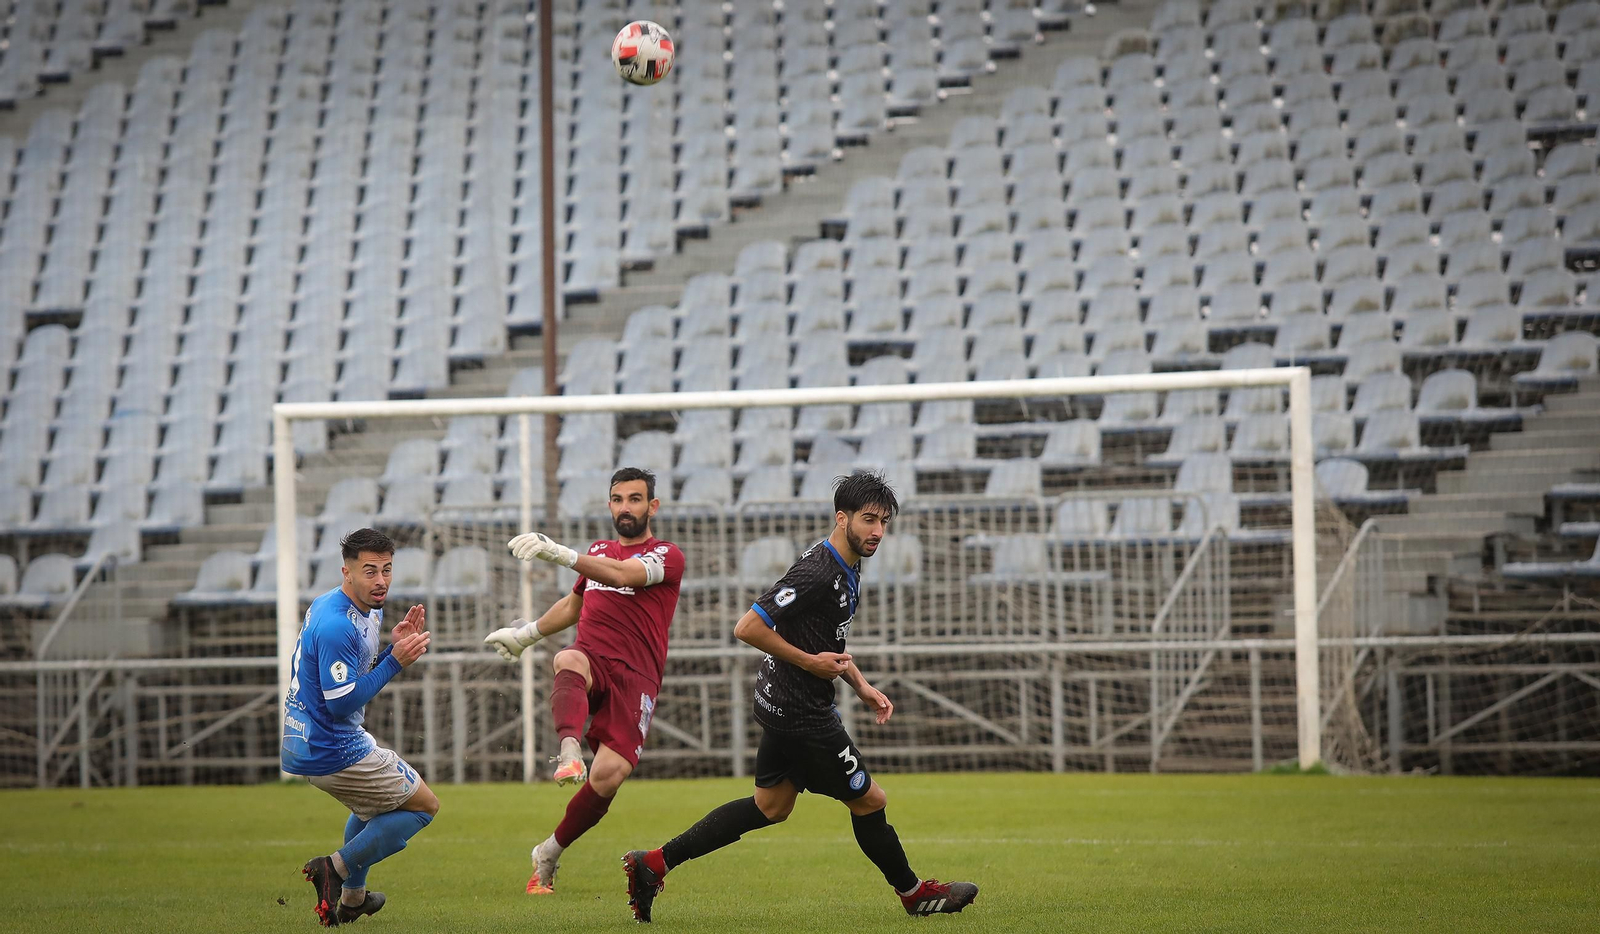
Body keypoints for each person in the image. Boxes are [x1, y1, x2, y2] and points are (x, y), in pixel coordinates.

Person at [619, 470, 978, 922]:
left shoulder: (848, 563)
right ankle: (914, 894)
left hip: (779, 703)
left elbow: (827, 640)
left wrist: (861, 686)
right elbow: (748, 627)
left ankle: (652, 865)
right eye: (869, 519)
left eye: (884, 521)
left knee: (770, 806)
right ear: (841, 517)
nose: (878, 532)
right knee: (870, 801)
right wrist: (809, 664)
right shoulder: (818, 570)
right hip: (801, 712)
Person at [483, 466, 685, 894]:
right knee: (569, 656)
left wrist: (560, 553)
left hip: (637, 678)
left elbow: (622, 575)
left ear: (653, 505)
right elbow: (575, 604)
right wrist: (526, 635)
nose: (625, 507)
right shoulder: (598, 549)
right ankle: (569, 749)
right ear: (609, 504)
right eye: (618, 499)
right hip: (592, 658)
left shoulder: (667, 555)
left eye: (635, 499)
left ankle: (549, 852)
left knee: (609, 775)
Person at [282, 527, 438, 927]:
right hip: (333, 744)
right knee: (424, 807)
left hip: (311, 741)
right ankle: (334, 868)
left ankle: (352, 901)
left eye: (387, 569)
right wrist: (394, 662)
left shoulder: (355, 607)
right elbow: (341, 702)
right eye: (370, 571)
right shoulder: (337, 624)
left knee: (371, 809)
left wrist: (390, 648)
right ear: (346, 572)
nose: (381, 580)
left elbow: (346, 675)